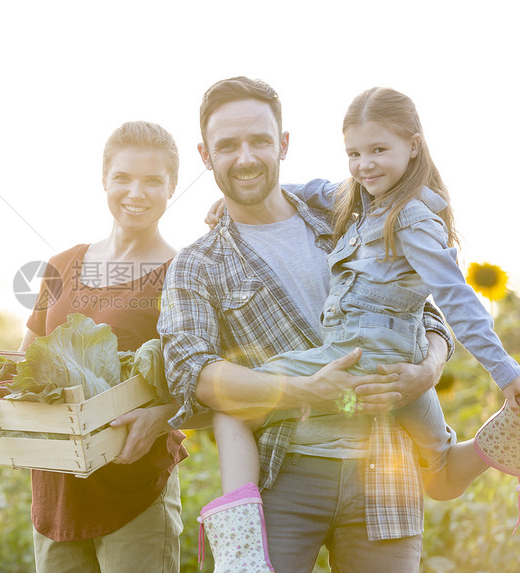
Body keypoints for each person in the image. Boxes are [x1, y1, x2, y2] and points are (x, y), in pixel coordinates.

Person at [203, 84, 520, 571]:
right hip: (402, 360)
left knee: (231, 403)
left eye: (378, 150)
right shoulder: (366, 199)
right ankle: (506, 435)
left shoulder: (410, 219)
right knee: (440, 475)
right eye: (354, 153)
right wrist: (238, 198)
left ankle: (241, 556)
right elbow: (316, 189)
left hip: (356, 355)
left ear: (413, 145)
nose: (364, 164)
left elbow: (457, 297)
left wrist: (505, 371)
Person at [159, 77, 455, 573]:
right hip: (283, 469)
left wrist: (429, 367)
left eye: (259, 140)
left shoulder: (347, 218)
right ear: (205, 155)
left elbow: (423, 307)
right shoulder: (197, 264)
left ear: (284, 144)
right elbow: (194, 375)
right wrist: (304, 390)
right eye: (227, 146)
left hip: (383, 467)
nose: (246, 157)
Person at [20, 120, 188, 573]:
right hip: (57, 487)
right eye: (123, 178)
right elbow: (25, 365)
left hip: (133, 489)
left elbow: (204, 380)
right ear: (104, 181)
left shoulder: (182, 274)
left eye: (153, 180)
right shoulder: (61, 265)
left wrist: (161, 417)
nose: (137, 192)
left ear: (172, 186)